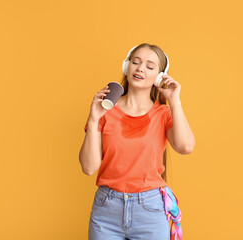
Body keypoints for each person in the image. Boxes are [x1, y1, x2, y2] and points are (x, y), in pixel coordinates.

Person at [79, 43, 195, 240]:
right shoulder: (105, 112)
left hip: (150, 210)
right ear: (126, 67)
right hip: (107, 209)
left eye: (150, 66)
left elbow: (185, 147)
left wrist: (175, 101)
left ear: (159, 77)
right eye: (135, 62)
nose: (140, 68)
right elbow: (89, 168)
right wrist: (93, 119)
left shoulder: (163, 114)